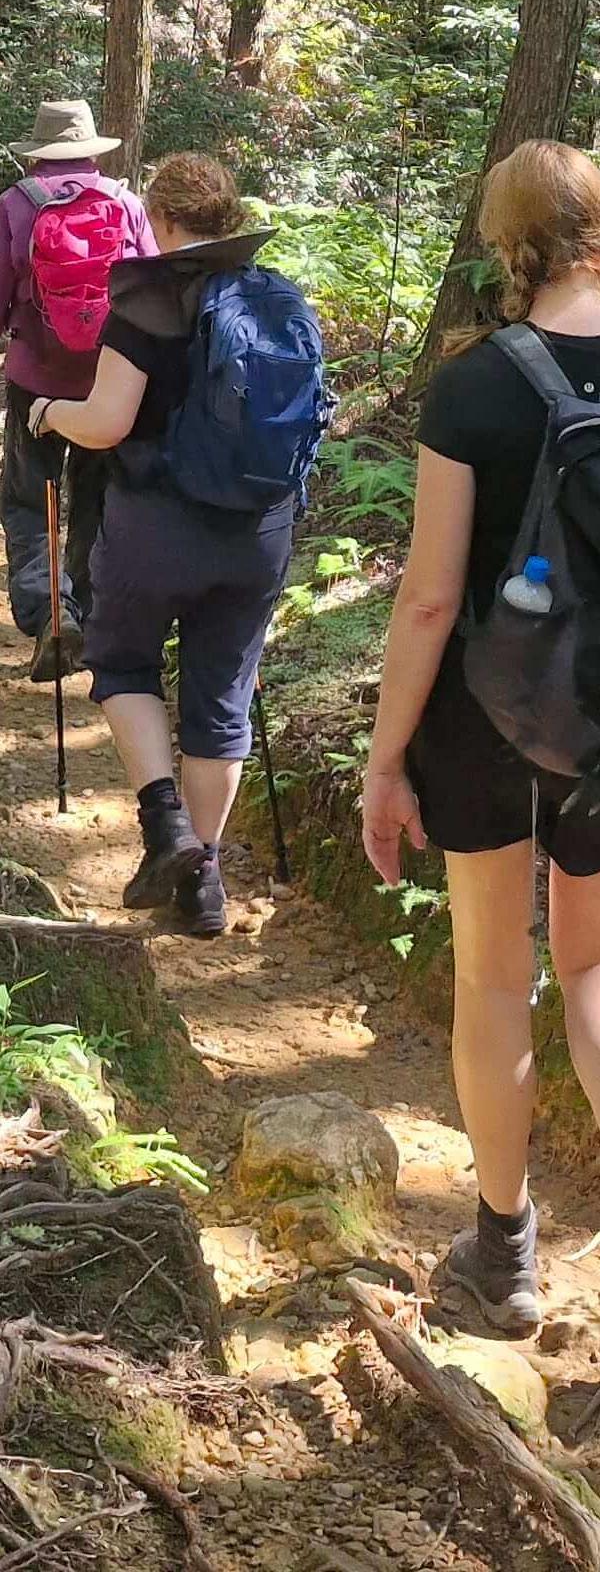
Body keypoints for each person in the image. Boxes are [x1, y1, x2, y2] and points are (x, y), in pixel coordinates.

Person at [362, 139, 600, 1335]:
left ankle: (502, 1258)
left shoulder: (474, 384)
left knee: (495, 974)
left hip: (486, 718)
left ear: (508, 241)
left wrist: (385, 757)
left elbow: (430, 597)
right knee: (598, 973)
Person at [29, 152, 295, 939]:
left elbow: (107, 422)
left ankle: (165, 827)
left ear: (161, 219)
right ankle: (204, 885)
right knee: (221, 699)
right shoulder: (274, 294)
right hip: (260, 529)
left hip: (157, 523)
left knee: (123, 661)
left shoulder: (146, 302)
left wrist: (47, 411)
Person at [0, 98, 156, 682]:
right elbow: (150, 291)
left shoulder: (15, 206)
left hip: (34, 380)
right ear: (92, 149)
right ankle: (89, 613)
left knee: (28, 496)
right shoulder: (125, 202)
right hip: (110, 387)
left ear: (36, 153)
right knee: (95, 497)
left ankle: (48, 616)